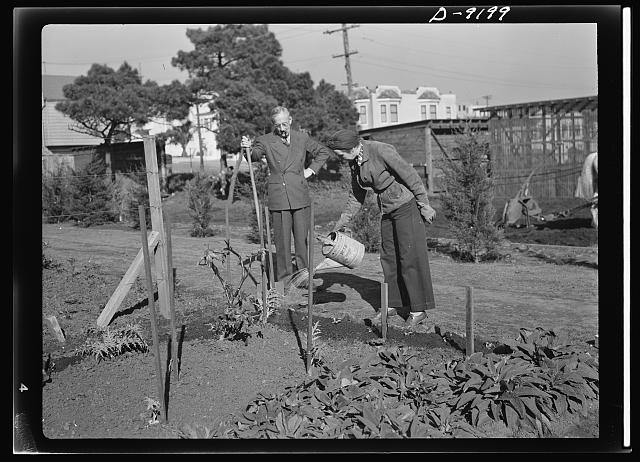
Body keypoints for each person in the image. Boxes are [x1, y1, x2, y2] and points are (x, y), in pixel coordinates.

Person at [326, 129, 437, 328]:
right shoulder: (355, 162)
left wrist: (424, 203)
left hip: (406, 206)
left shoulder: (380, 150)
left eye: (340, 153)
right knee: (388, 258)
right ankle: (392, 304)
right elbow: (356, 196)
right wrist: (341, 224)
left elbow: (410, 176)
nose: (339, 156)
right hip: (387, 209)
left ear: (351, 147)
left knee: (409, 257)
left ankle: (418, 310)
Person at [241, 106, 332, 292]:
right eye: (278, 125)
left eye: (284, 123)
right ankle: (284, 279)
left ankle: (305, 277)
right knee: (282, 242)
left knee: (302, 240)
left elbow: (323, 152)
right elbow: (254, 155)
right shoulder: (265, 140)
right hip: (279, 197)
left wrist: (311, 170)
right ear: (273, 125)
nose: (282, 128)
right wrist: (247, 149)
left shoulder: (301, 138)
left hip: (299, 194)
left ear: (290, 120)